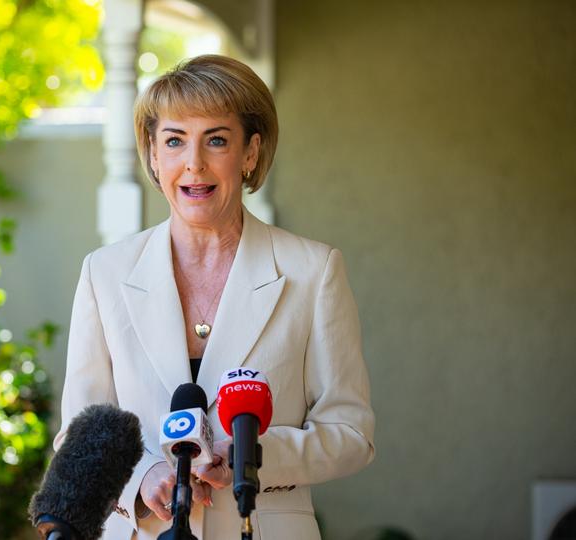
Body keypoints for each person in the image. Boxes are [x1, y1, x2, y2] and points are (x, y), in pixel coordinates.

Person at [55, 54, 375, 539]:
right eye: (175, 140)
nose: (194, 163)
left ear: (250, 153)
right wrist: (143, 479)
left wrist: (252, 455)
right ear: (154, 155)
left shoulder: (313, 272)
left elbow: (351, 435)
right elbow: (79, 434)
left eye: (217, 140)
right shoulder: (105, 273)